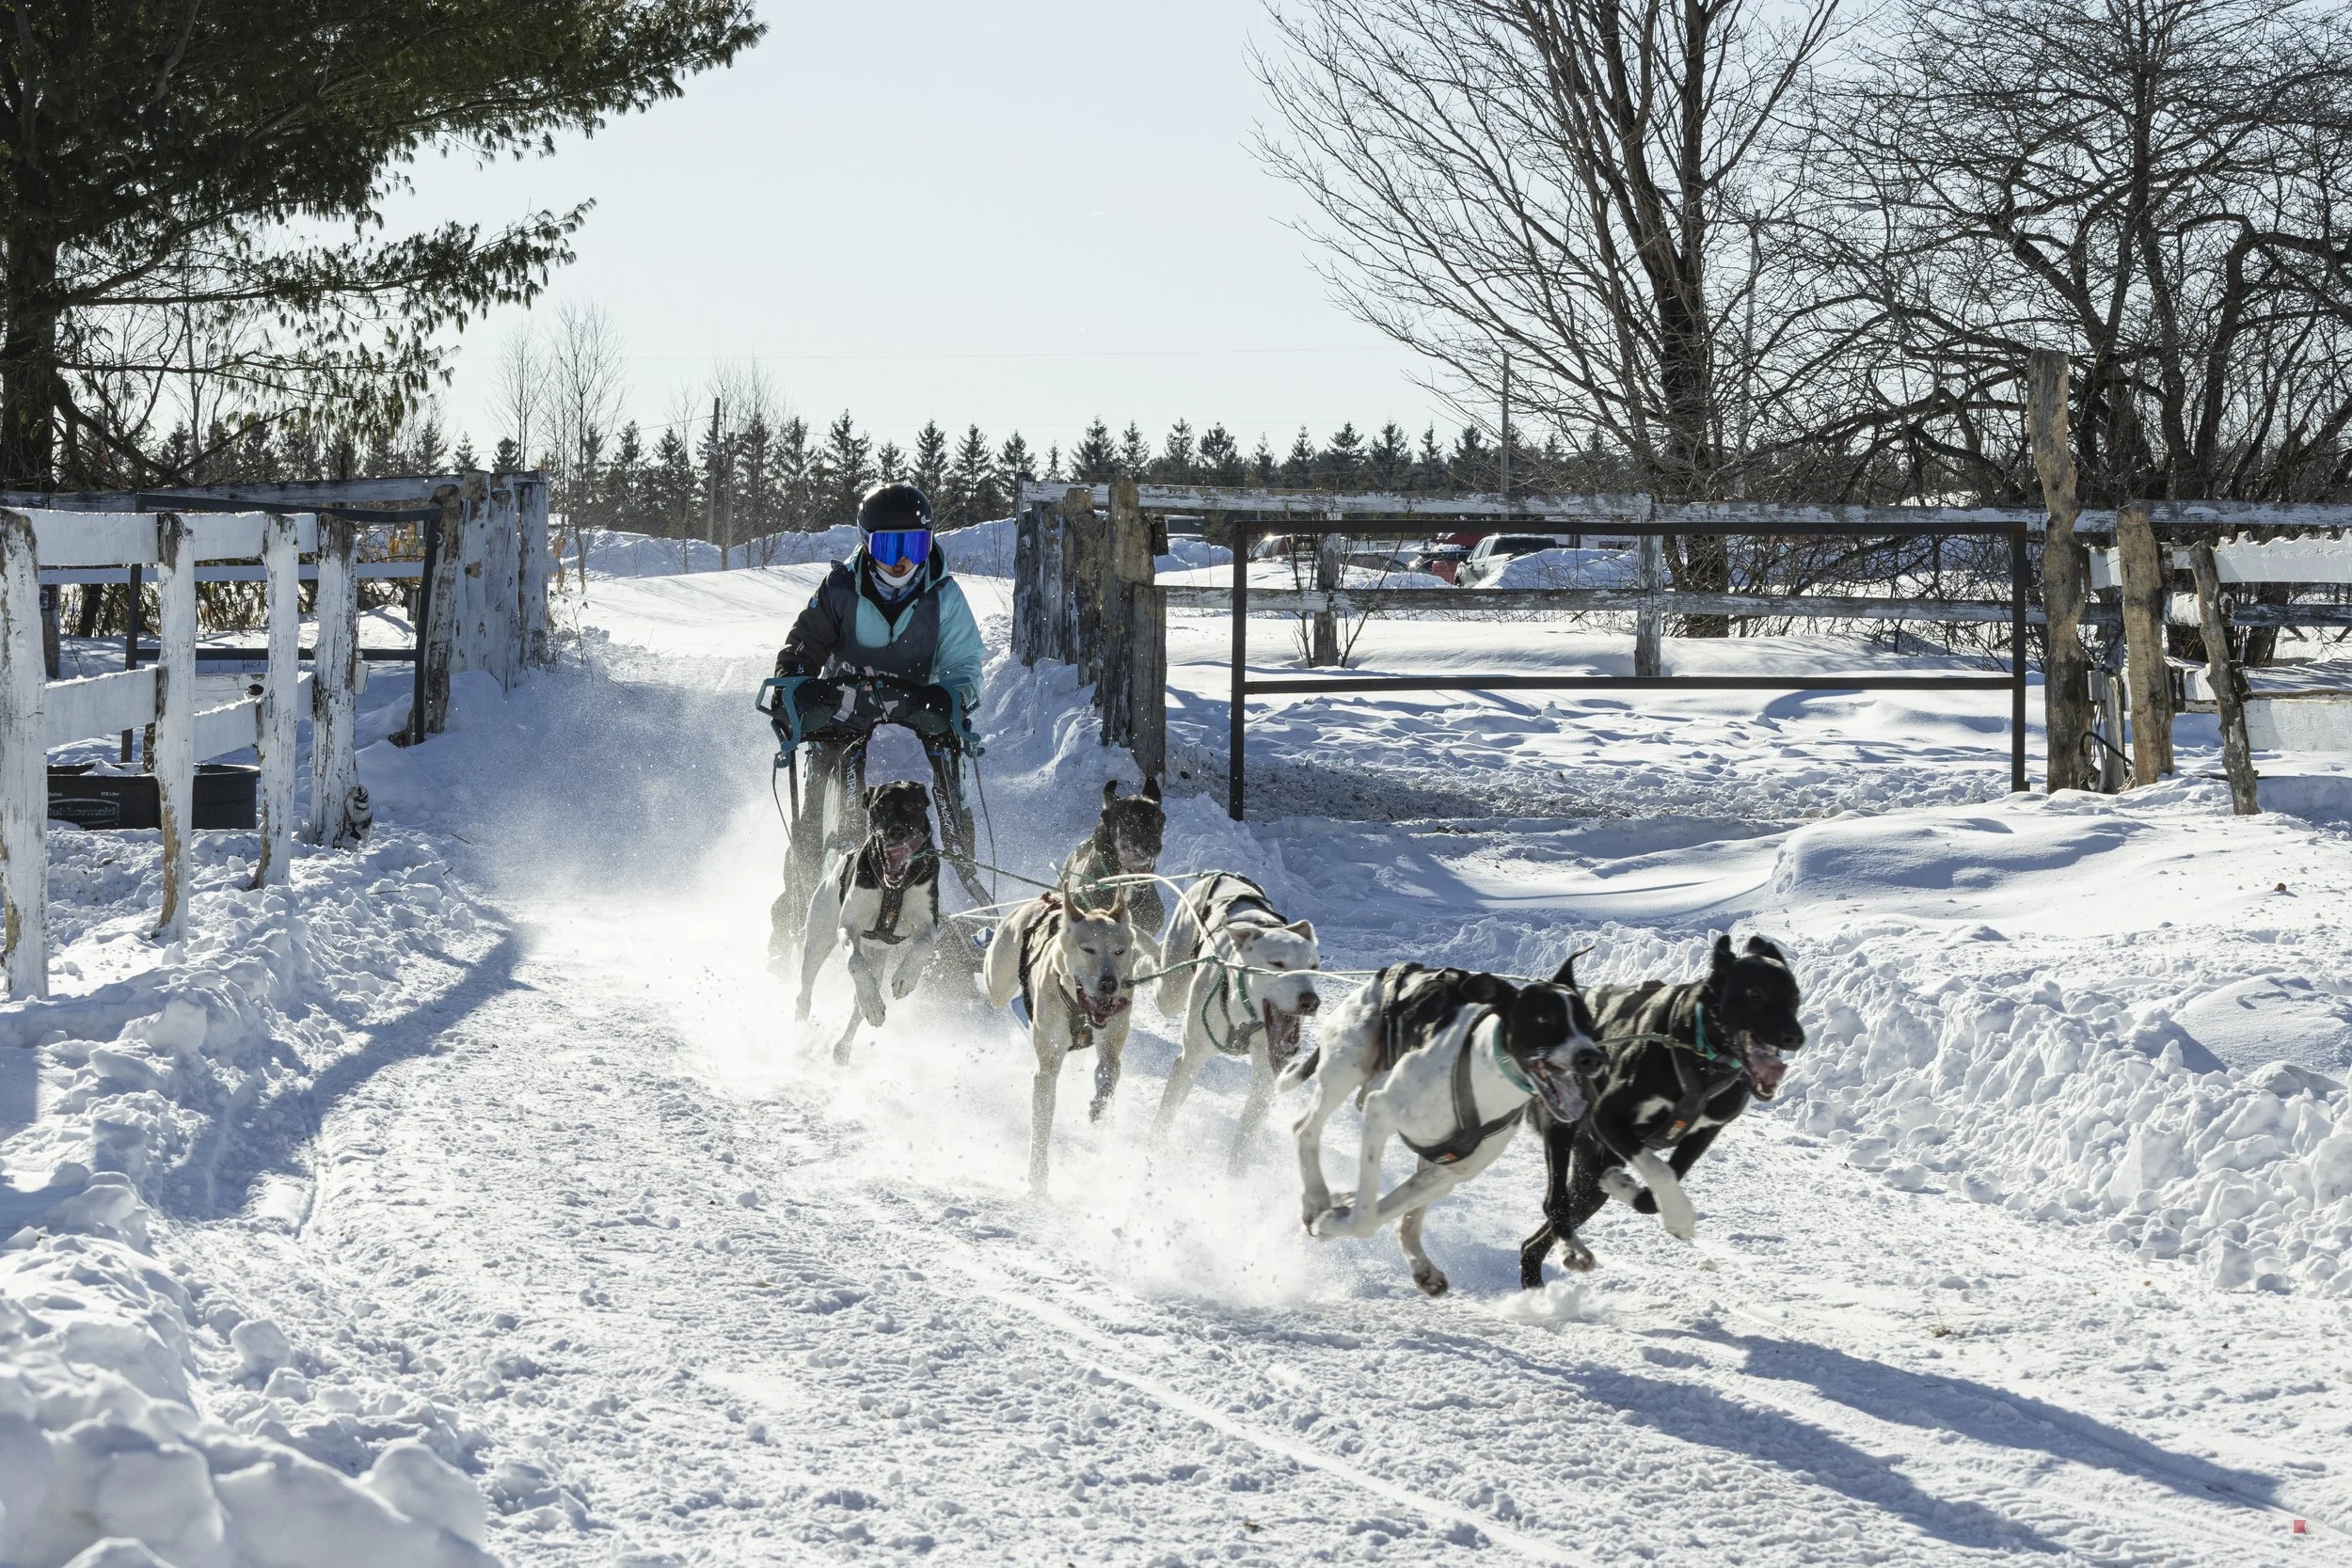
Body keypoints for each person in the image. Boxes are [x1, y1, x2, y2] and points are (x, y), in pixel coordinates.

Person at [771, 483, 986, 944]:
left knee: (947, 793)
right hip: (845, 712)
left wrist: (951, 698)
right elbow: (803, 646)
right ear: (867, 544)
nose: (902, 561)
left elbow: (965, 665)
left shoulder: (943, 594)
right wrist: (794, 687)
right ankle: (798, 913)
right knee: (817, 817)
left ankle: (958, 904)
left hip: (918, 711)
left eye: (915, 545)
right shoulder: (841, 588)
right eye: (889, 546)